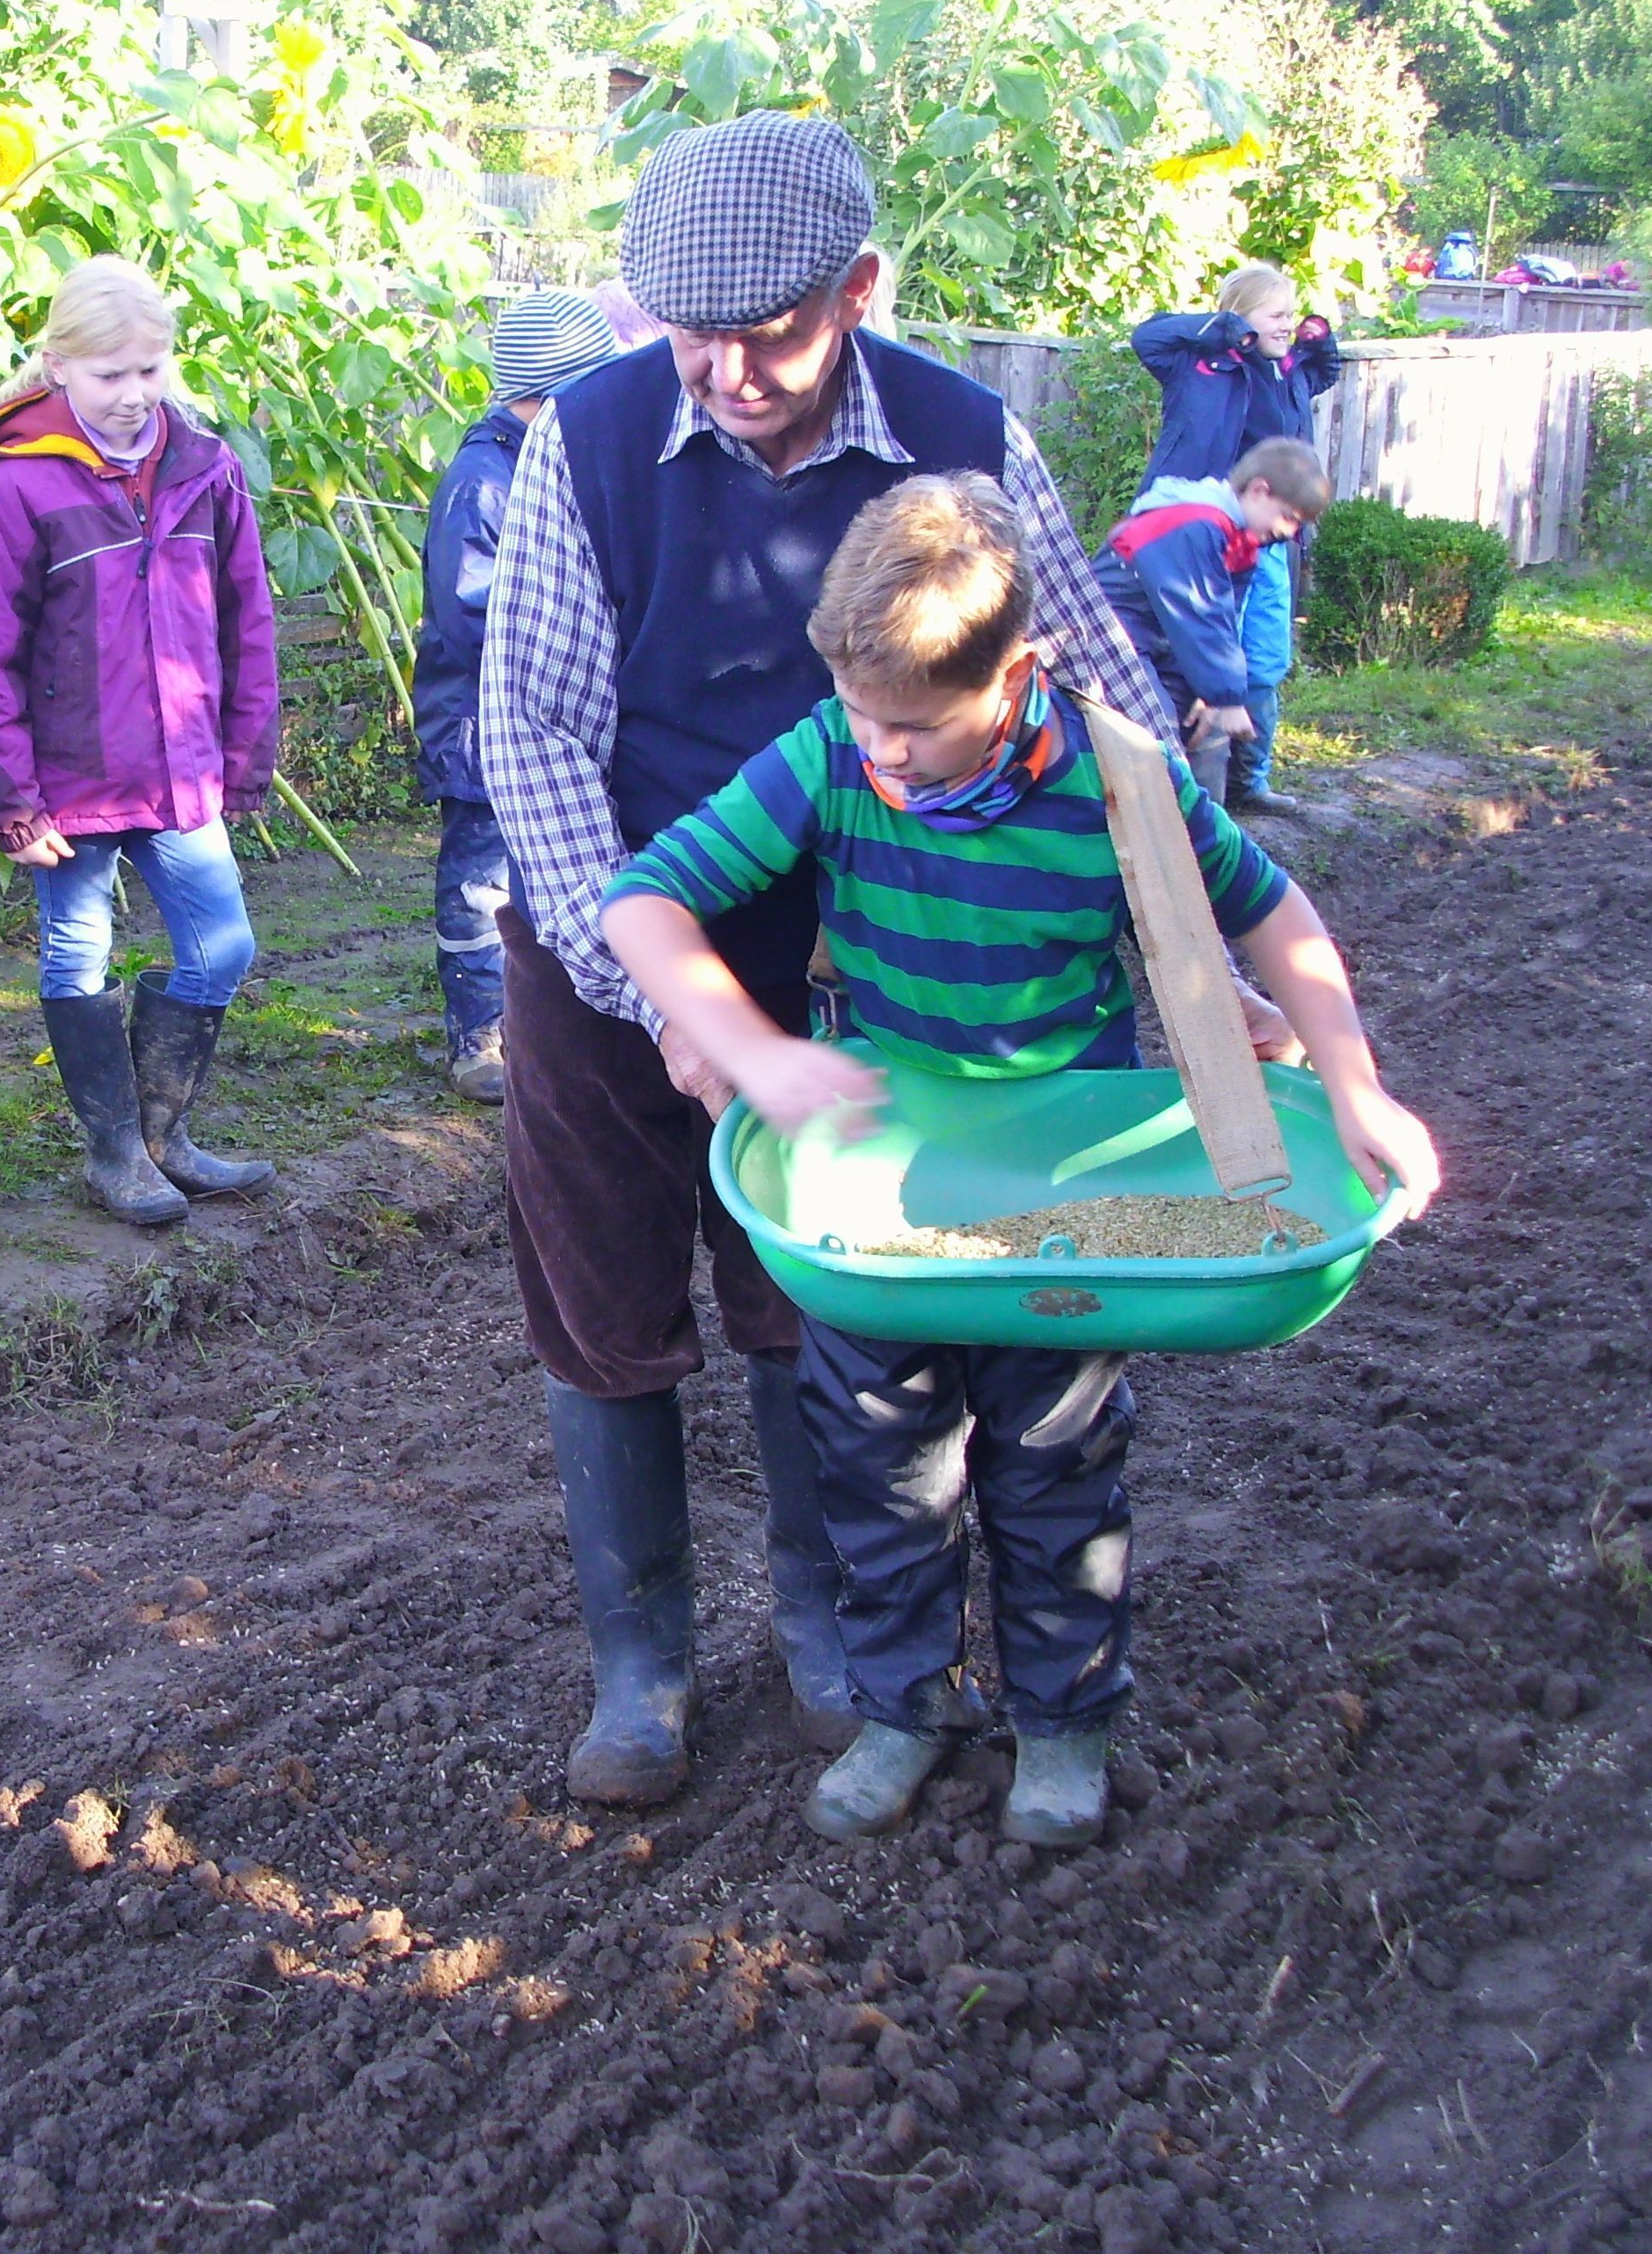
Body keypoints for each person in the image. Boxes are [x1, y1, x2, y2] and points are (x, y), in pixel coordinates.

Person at [478, 109, 1291, 1810]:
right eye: (690, 335)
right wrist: (664, 1003)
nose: (725, 373)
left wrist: (1184, 947)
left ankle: (830, 1636)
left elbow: (1104, 701)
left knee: (824, 1291)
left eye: (765, 333)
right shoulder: (591, 441)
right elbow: (533, 734)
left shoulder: (960, 437)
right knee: (602, 1297)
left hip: (864, 942)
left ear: (854, 290)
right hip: (615, 914)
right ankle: (640, 1670)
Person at [601, 472, 1441, 1847]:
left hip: (1071, 1189)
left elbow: (1274, 915)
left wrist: (1355, 1086)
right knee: (879, 1471)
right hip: (881, 1190)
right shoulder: (827, 754)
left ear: (1017, 674)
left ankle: (1063, 1724)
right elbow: (644, 899)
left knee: (1057, 1468)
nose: (883, 750)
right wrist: (750, 1051)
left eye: (917, 726)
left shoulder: (1121, 777)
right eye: (862, 713)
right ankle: (905, 1708)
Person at [0, 258, 281, 1227]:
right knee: (77, 957)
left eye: (150, 369)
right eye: (109, 375)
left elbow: (248, 618)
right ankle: (114, 1155)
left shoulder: (206, 468)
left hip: (181, 771)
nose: (134, 393)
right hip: (69, 784)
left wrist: (243, 753)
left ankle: (163, 1138)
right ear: (58, 367)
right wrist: (12, 800)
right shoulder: (19, 489)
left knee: (223, 948)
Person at [413, 291, 621, 1103]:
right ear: (553, 394)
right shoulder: (483, 483)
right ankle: (478, 1034)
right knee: (481, 881)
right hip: (481, 726)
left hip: (541, 717)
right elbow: (474, 616)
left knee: (546, 872)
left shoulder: (552, 467)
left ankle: (536, 1024)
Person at [1131, 266, 1341, 812]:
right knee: (1190, 655)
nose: (1287, 325)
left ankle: (1248, 784)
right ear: (1240, 316)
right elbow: (1147, 336)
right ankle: (1187, 796)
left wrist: (1318, 336)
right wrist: (1226, 330)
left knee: (1263, 661)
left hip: (1263, 540)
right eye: (1276, 315)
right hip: (1200, 532)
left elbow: (1327, 369)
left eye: (1291, 315)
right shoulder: (1201, 364)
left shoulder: (1288, 371)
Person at [1092, 438, 1334, 806]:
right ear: (1258, 490)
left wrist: (1210, 695)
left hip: (1161, 638)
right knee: (1151, 733)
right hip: (1107, 634)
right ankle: (1143, 830)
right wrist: (1225, 695)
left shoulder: (1241, 543)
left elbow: (1223, 621)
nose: (1288, 532)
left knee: (1206, 730)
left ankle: (1204, 835)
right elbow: (1199, 613)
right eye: (1289, 517)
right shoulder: (1194, 522)